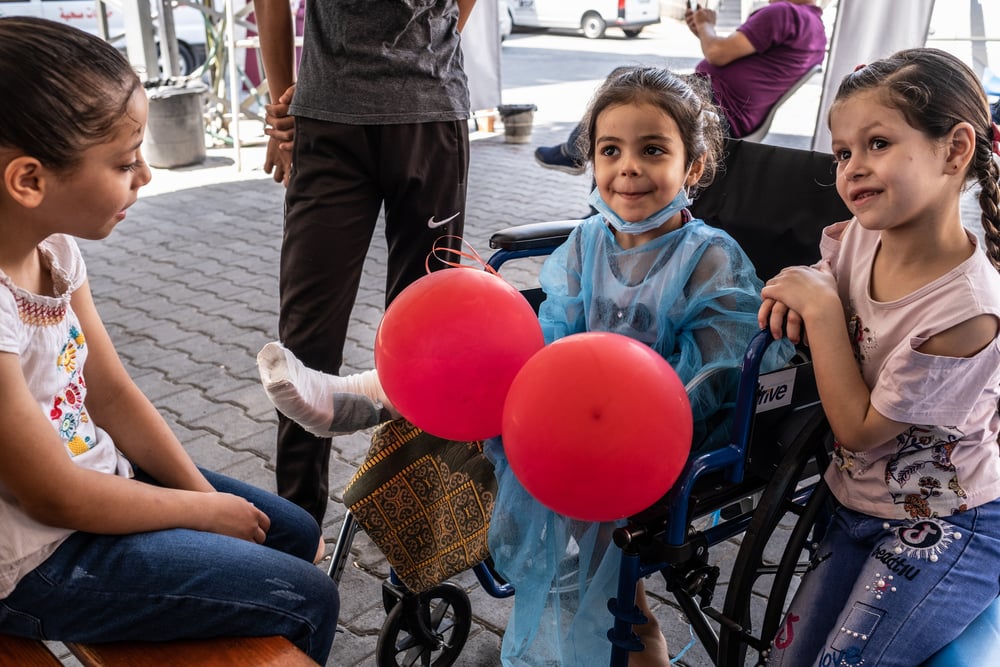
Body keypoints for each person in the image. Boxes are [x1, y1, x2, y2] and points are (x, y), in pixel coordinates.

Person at [258, 65, 790, 665]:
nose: (628, 168)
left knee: (616, 593)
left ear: (692, 167)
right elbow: (553, 335)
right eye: (610, 150)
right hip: (572, 405)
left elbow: (712, 373)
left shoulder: (708, 258)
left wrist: (593, 409)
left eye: (653, 150)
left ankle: (371, 397)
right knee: (475, 364)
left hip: (657, 428)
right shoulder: (589, 242)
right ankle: (365, 396)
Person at [0, 18, 339, 664]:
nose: (147, 176)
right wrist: (202, 516)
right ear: (30, 181)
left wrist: (205, 501)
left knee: (293, 533)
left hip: (92, 485)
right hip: (36, 558)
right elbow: (52, 494)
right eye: (125, 162)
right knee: (307, 594)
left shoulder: (54, 251)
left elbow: (115, 395)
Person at [759, 48, 1000, 666]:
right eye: (843, 153)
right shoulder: (859, 236)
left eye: (878, 143)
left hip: (952, 525)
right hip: (850, 503)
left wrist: (816, 310)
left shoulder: (966, 310)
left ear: (955, 149)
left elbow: (862, 432)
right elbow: (822, 278)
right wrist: (803, 285)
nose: (852, 169)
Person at [253, 0, 478, 524]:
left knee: (422, 341)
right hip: (329, 120)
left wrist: (427, 50)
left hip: (430, 112)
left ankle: (411, 537)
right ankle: (297, 529)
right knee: (305, 343)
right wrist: (283, 103)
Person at [534, 0, 826, 175]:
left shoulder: (783, 13)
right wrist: (703, 31)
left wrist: (707, 24)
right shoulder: (815, 28)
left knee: (624, 85)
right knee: (628, 102)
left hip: (716, 102)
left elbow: (718, 53)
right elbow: (729, 52)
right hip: (729, 108)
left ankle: (575, 152)